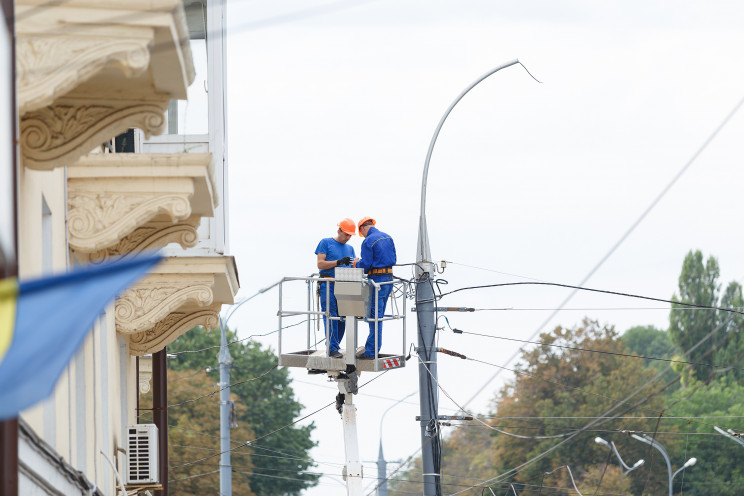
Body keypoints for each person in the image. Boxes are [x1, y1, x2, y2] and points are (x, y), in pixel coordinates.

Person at [354, 216, 397, 359]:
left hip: (377, 281)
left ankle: (371, 351)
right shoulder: (388, 237)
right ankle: (373, 348)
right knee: (379, 316)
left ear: (363, 228)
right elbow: (393, 259)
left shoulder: (368, 241)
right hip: (388, 281)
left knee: (374, 317)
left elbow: (366, 266)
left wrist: (356, 264)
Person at [315, 218, 356, 358]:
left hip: (344, 285)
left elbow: (353, 266)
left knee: (344, 317)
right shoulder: (326, 243)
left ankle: (335, 346)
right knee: (331, 315)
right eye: (346, 234)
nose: (348, 238)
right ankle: (332, 348)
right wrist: (338, 262)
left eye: (350, 235)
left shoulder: (350, 249)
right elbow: (320, 264)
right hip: (329, 284)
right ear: (339, 231)